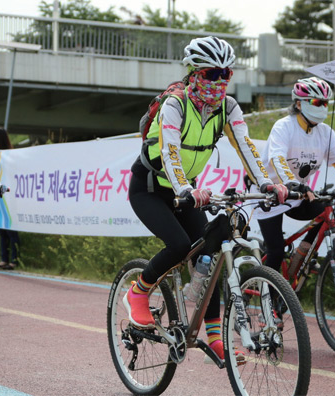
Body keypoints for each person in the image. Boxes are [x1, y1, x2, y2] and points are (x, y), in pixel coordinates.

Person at [124, 36, 288, 362]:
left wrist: (267, 182)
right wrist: (185, 189)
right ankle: (138, 292)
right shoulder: (175, 104)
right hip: (151, 189)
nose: (220, 81)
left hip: (186, 192)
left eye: (225, 74)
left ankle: (214, 336)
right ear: (194, 72)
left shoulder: (227, 107)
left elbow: (247, 147)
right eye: (212, 74)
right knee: (180, 245)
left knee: (210, 252)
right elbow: (170, 152)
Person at [254, 76, 335, 282]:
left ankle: (302, 256)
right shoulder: (284, 126)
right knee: (275, 252)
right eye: (317, 102)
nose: (322, 107)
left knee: (325, 212)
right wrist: (290, 183)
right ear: (299, 103)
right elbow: (277, 158)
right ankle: (269, 301)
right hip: (270, 194)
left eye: (325, 103)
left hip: (297, 193)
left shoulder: (325, 133)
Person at [0, 127, 20, 270]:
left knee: (11, 229)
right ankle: (4, 259)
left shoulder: (7, 155)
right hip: (0, 196)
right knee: (2, 228)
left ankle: (14, 259)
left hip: (9, 196)